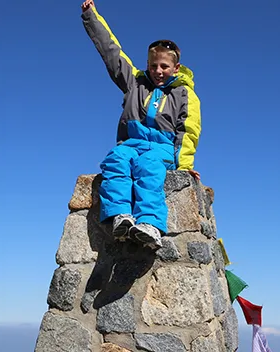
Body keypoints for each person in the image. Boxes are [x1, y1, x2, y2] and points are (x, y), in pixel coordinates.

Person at [80, 0, 201, 249]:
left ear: (176, 68)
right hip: (131, 142)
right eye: (153, 66)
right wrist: (91, 16)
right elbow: (111, 52)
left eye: (164, 66)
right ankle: (121, 216)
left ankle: (150, 224)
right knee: (116, 159)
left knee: (149, 167)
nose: (158, 71)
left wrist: (185, 165)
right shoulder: (135, 83)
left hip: (162, 146)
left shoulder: (184, 94)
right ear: (147, 65)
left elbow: (188, 131)